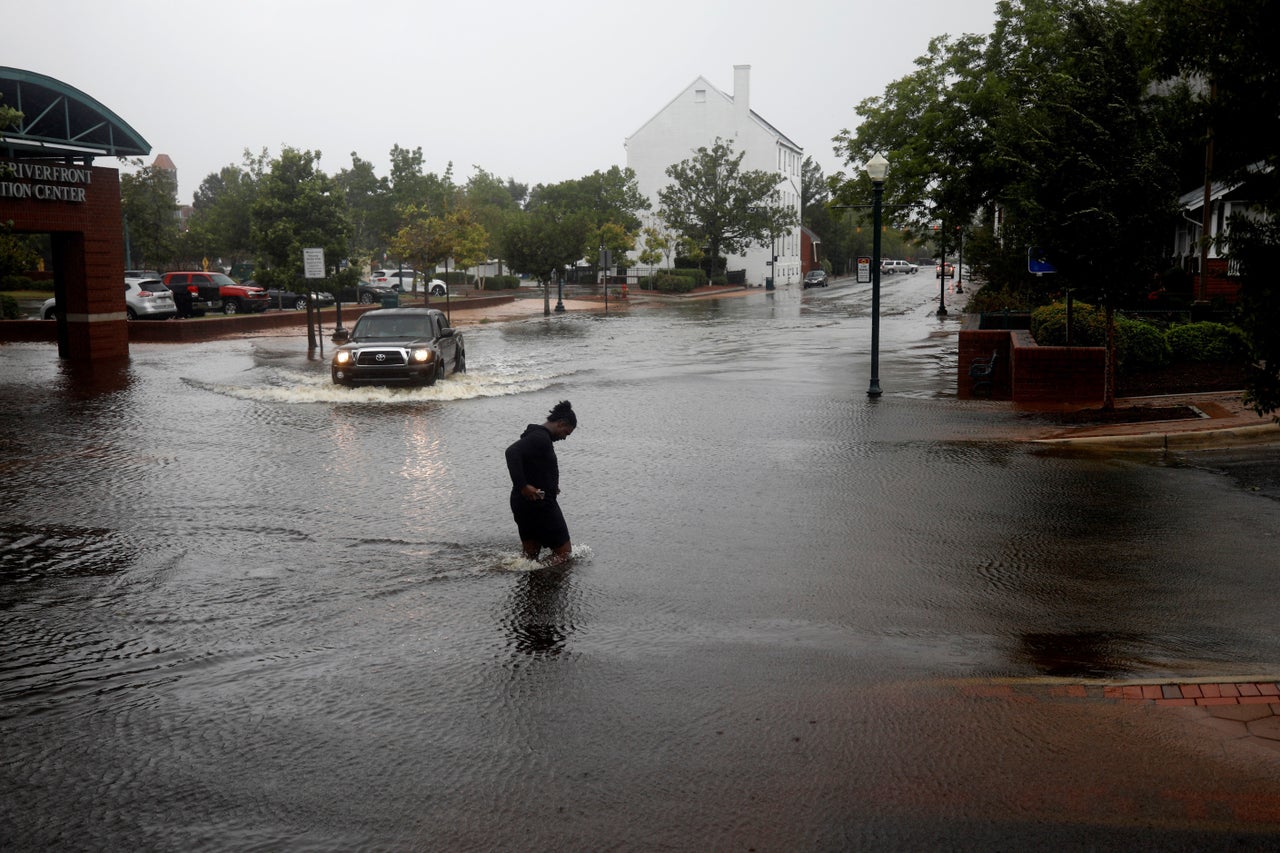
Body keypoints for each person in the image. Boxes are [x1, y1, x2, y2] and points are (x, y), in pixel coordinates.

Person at [505, 400, 577, 563]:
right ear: (560, 423)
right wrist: (523, 486)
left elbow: (531, 464)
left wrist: (551, 484)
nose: (565, 437)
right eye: (566, 432)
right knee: (564, 554)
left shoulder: (536, 436)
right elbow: (511, 452)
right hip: (540, 505)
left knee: (529, 556)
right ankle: (543, 577)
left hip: (523, 504)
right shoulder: (540, 438)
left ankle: (533, 582)